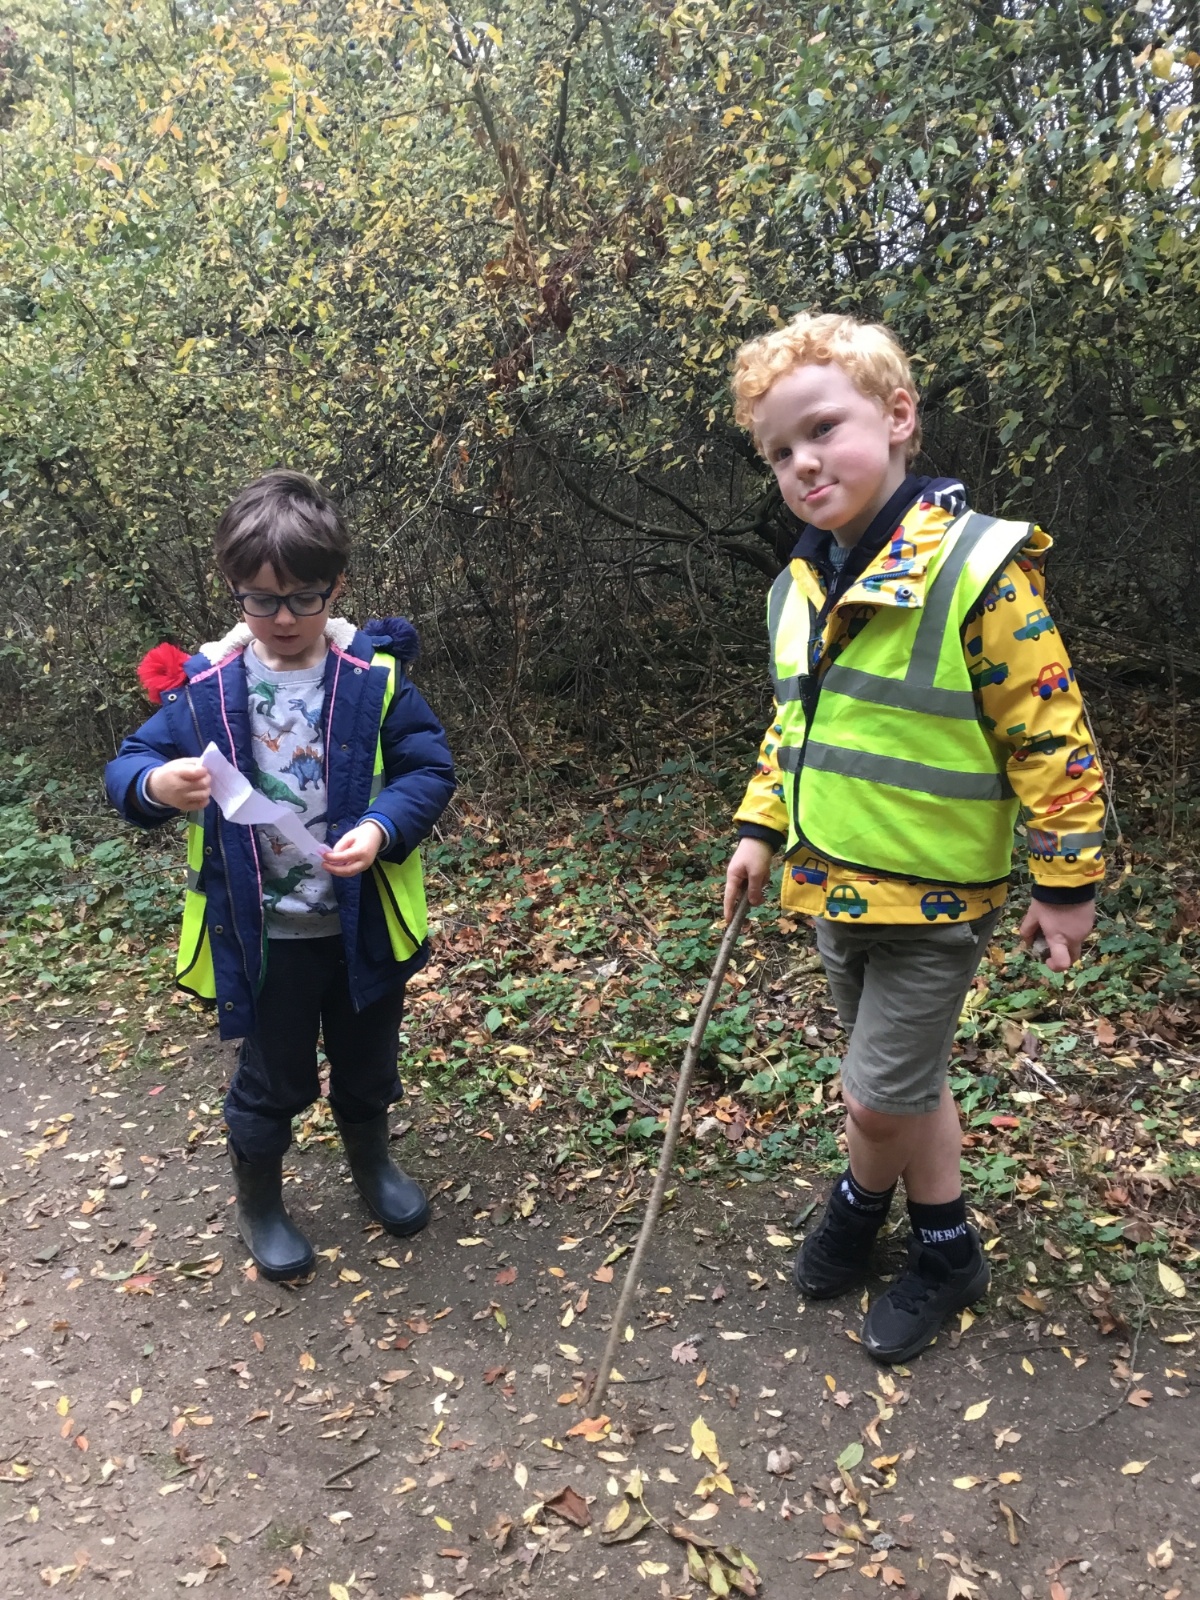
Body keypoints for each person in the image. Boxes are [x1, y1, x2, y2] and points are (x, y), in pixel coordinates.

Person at [723, 313, 1104, 1362]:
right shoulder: (799, 588)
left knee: (875, 1099)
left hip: (935, 904)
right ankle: (941, 1243)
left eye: (822, 429)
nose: (803, 463)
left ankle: (860, 1209)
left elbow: (1051, 732)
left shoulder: (977, 570)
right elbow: (794, 728)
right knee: (907, 1083)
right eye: (780, 451)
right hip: (832, 891)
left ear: (897, 418)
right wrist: (760, 826)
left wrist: (1066, 882)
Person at [105, 470, 455, 1281]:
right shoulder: (205, 688)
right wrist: (156, 784)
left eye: (305, 597)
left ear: (339, 587)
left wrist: (382, 825)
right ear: (234, 590)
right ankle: (259, 1199)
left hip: (363, 927)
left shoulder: (373, 677)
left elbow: (427, 767)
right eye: (262, 600)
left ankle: (372, 1160)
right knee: (273, 1079)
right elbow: (129, 765)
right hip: (264, 939)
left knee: (369, 1064)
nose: (286, 618)